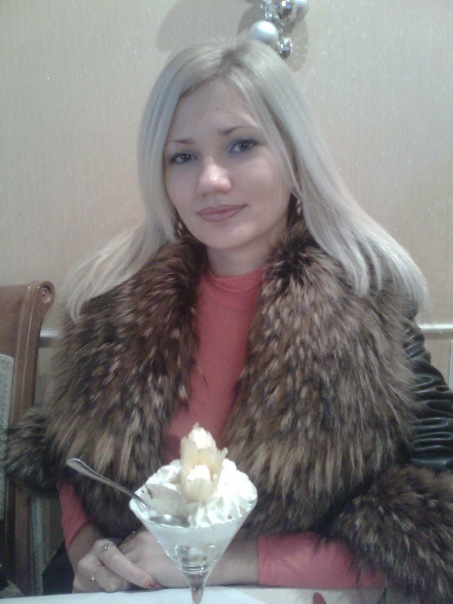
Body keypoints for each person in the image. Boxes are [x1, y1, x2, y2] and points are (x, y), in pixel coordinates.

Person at [7, 37, 453, 602]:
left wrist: (224, 562)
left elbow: (432, 534)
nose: (210, 181)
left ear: (293, 155)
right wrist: (86, 549)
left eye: (241, 145)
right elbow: (69, 454)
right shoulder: (111, 300)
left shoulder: (369, 309)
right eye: (183, 156)